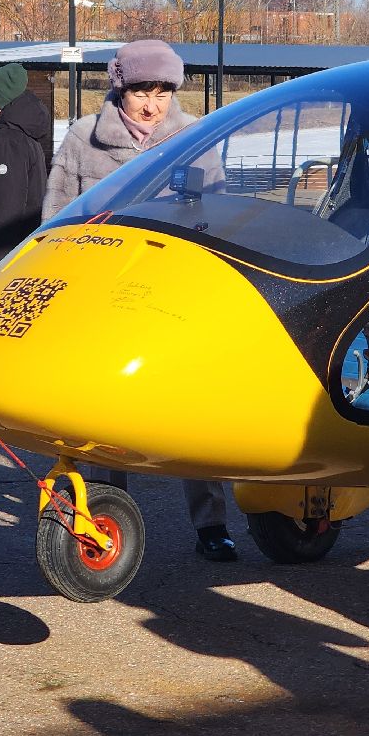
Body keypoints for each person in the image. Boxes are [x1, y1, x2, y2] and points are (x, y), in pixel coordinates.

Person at [42, 39, 236, 562]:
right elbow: (55, 219)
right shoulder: (83, 139)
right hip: (102, 295)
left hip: (172, 293)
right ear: (119, 87)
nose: (153, 105)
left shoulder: (196, 135)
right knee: (103, 414)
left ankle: (212, 523)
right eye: (142, 92)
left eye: (163, 92)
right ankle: (110, 513)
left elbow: (219, 217)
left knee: (192, 407)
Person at [0, 62, 51, 271]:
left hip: (9, 257)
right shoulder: (21, 133)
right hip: (22, 252)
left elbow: (5, 205)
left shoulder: (8, 140)